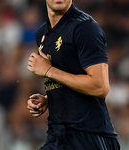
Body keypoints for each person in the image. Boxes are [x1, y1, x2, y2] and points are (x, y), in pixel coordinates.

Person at [27, 0, 120, 149]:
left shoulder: (85, 27)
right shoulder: (42, 34)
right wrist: (49, 99)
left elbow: (100, 87)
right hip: (58, 134)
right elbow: (69, 75)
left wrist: (49, 71)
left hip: (89, 136)